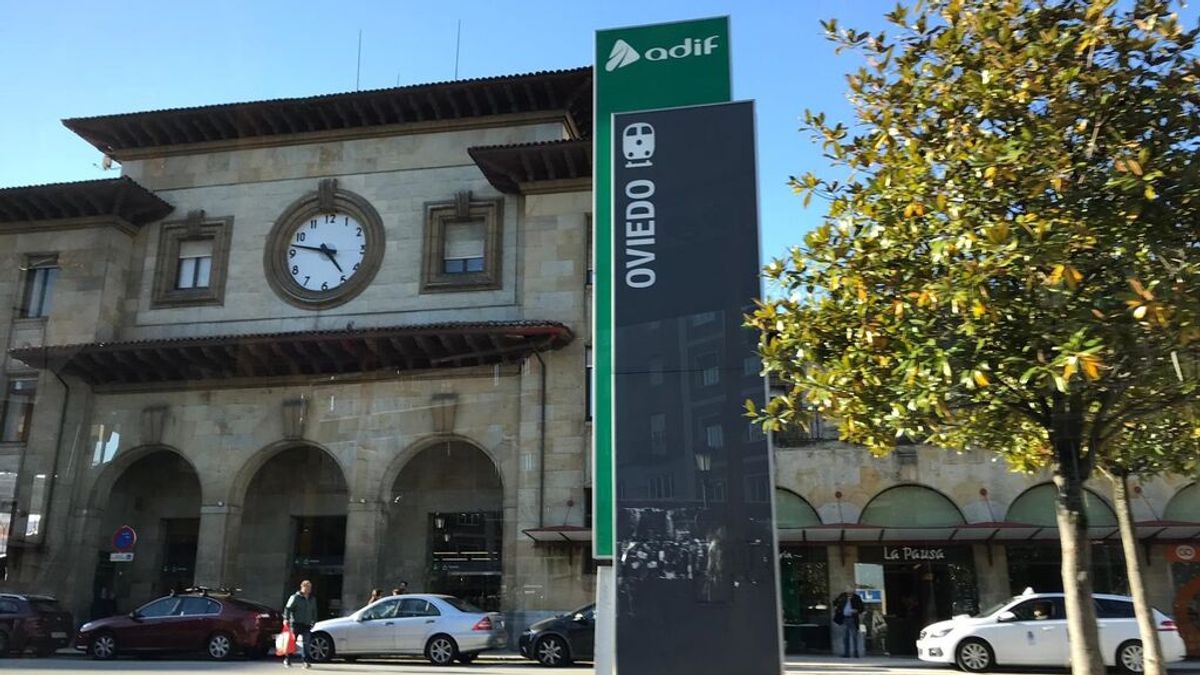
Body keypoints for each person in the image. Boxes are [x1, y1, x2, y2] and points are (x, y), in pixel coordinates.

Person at [283, 580, 318, 669]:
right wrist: (286, 619)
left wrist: (314, 621)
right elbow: (288, 608)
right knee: (292, 642)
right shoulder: (295, 597)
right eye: (307, 587)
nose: (309, 589)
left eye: (310, 587)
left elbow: (314, 611)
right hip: (296, 623)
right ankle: (288, 659)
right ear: (302, 587)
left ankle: (305, 661)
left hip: (307, 624)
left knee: (306, 643)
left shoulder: (312, 599)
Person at [832, 586, 865, 658]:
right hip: (844, 618)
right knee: (845, 636)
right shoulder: (842, 597)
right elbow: (835, 602)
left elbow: (861, 608)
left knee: (854, 636)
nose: (849, 593)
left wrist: (856, 611)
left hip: (853, 618)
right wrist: (837, 608)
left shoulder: (856, 598)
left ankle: (856, 653)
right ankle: (846, 653)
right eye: (848, 591)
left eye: (850, 591)